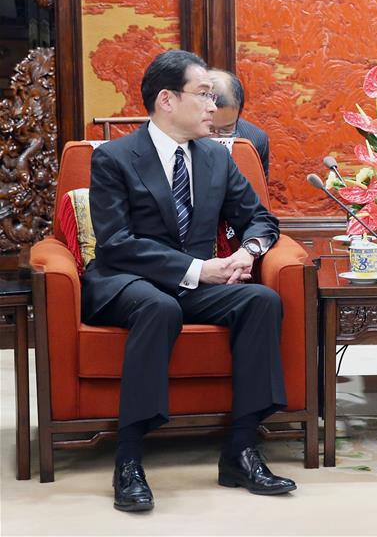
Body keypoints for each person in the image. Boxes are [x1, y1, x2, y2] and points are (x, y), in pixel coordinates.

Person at [82, 50, 296, 512]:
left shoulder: (216, 159)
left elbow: (260, 218)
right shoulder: (115, 158)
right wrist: (200, 269)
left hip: (192, 284)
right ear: (166, 100)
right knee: (160, 307)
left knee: (260, 300)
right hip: (127, 281)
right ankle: (129, 459)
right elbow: (116, 244)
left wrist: (248, 251)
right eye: (203, 95)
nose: (212, 107)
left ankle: (240, 451)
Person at [208, 68, 271, 179]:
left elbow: (257, 193)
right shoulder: (174, 135)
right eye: (209, 128)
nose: (215, 138)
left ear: (238, 114)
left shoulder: (255, 140)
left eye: (226, 130)